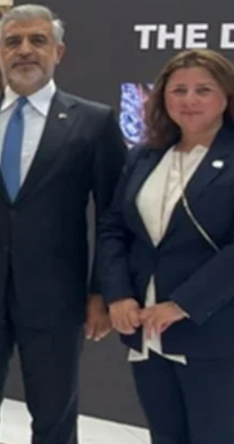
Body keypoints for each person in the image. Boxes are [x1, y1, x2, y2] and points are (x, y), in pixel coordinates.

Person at [0, 4, 127, 444]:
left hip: (57, 295)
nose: (24, 50)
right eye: (13, 42)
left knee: (55, 417)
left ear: (58, 51)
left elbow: (113, 214)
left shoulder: (94, 121)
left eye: (37, 40)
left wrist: (103, 291)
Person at [97, 49, 234, 444]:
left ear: (226, 96)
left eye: (203, 90)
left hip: (214, 333)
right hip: (148, 332)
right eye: (179, 90)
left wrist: (182, 304)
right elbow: (114, 228)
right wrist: (118, 294)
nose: (189, 100)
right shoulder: (145, 155)